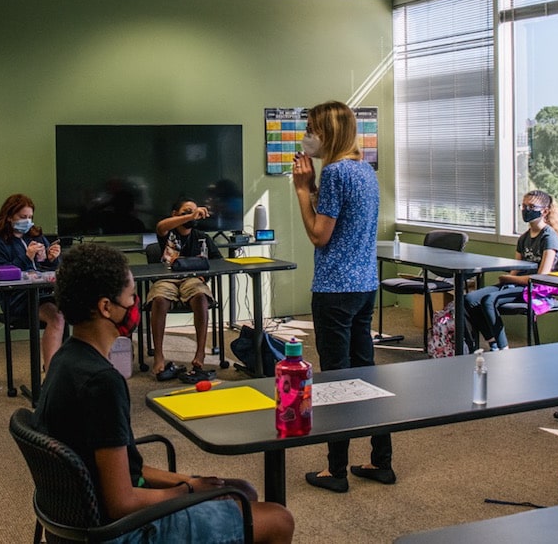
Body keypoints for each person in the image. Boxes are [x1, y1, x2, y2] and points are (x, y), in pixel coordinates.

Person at [35, 243, 294, 543]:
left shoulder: (64, 360)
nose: (135, 305)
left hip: (76, 521)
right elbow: (122, 502)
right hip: (116, 532)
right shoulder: (102, 383)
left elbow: (124, 467)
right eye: (132, 297)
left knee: (243, 490)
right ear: (106, 308)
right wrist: (186, 491)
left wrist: (190, 481)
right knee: (278, 519)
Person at [293, 100, 394, 494]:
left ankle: (335, 471)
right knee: (365, 373)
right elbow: (340, 217)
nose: (307, 138)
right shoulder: (363, 170)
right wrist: (315, 185)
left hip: (335, 290)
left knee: (335, 378)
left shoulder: (335, 173)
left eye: (312, 130)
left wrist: (303, 191)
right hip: (364, 286)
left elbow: (320, 234)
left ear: (327, 133)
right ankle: (381, 461)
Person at [463, 189, 558, 352]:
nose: (526, 210)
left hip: (535, 288)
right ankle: (493, 343)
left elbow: (541, 277)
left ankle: (504, 349)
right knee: (469, 299)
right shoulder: (524, 237)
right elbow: (516, 269)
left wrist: (509, 280)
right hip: (518, 283)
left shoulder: (549, 237)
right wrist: (507, 281)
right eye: (524, 206)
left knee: (489, 300)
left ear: (545, 211)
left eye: (531, 207)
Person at [146, 198, 222, 382]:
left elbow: (218, 261)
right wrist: (190, 215)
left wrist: (205, 276)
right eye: (186, 211)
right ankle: (159, 356)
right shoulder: (167, 234)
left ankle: (200, 355)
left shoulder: (202, 237)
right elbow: (160, 226)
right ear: (175, 214)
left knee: (201, 297)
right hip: (167, 278)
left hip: (192, 279)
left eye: (195, 212)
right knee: (159, 299)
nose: (193, 215)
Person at [0, 193, 66, 369]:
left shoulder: (36, 236)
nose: (27, 221)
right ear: (9, 216)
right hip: (17, 298)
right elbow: (2, 275)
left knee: (77, 307)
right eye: (22, 217)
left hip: (43, 293)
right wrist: (27, 258)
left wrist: (51, 259)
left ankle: (69, 366)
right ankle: (51, 373)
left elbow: (49, 271)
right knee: (56, 318)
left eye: (30, 217)